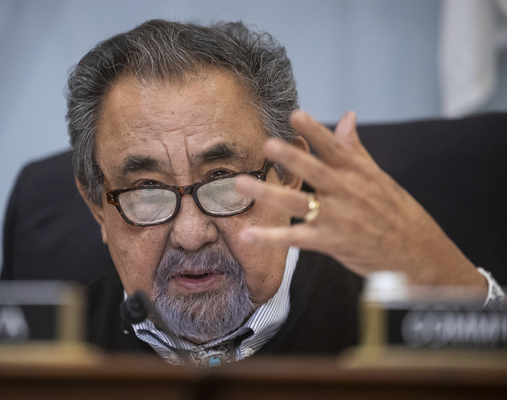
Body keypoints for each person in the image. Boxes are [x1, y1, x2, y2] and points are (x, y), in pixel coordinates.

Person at [66, 20, 504, 367]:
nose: (191, 234)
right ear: (96, 207)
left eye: (223, 178)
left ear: (289, 175)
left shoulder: (384, 318)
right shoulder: (53, 349)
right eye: (147, 189)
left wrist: (450, 285)